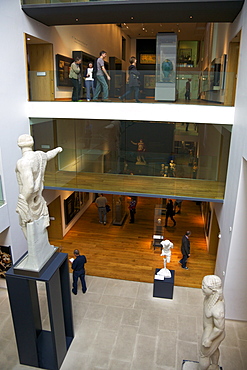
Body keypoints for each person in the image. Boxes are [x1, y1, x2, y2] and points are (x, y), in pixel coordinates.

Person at [16, 134, 62, 238]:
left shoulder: (23, 162)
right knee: (39, 228)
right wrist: (58, 149)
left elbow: (29, 186)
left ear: (19, 145)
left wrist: (21, 201)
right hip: (38, 198)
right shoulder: (40, 156)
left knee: (25, 226)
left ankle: (35, 252)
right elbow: (49, 154)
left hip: (28, 201)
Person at [199, 275, 225, 370]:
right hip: (208, 328)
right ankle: (215, 366)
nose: (202, 288)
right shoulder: (209, 297)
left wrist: (209, 339)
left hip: (213, 333)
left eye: (204, 287)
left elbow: (219, 328)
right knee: (213, 350)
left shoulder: (218, 310)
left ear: (213, 291)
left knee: (204, 355)